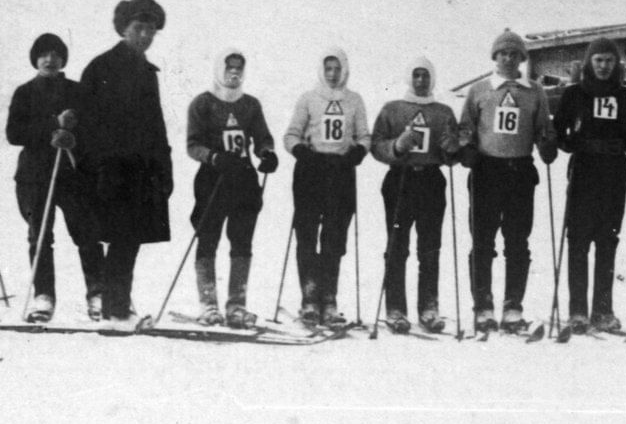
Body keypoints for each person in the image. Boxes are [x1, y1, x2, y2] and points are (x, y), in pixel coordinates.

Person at [77, 0, 175, 324]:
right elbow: (86, 121)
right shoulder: (101, 67)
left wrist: (165, 168)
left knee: (129, 239)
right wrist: (97, 166)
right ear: (124, 29)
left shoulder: (148, 73)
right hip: (109, 170)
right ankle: (114, 308)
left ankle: (116, 306)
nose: (145, 35)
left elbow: (156, 125)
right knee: (119, 237)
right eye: (138, 28)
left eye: (150, 30)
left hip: (141, 172)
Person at [457, 29, 557, 335]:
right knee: (483, 241)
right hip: (487, 171)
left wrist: (547, 143)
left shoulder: (534, 91)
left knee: (517, 241)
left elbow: (543, 126)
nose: (509, 59)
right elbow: (466, 127)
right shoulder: (480, 90)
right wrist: (467, 149)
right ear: (495, 57)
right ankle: (483, 306)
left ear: (523, 59)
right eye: (503, 54)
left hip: (520, 172)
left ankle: (513, 306)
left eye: (515, 54)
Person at [7, 32, 101, 322]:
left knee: (87, 234)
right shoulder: (24, 92)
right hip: (35, 176)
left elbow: (95, 128)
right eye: (44, 54)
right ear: (35, 59)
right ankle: (43, 296)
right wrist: (51, 129)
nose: (50, 59)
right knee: (39, 236)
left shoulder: (78, 90)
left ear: (63, 59)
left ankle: (98, 294)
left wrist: (74, 137)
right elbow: (14, 133)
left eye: (56, 54)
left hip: (72, 174)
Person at [183, 48, 278, 327]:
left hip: (243, 179)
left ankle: (237, 305)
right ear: (218, 70)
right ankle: (208, 304)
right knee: (208, 238)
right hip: (213, 179)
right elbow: (192, 144)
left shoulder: (250, 105)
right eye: (229, 68)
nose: (234, 73)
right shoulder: (203, 103)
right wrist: (212, 157)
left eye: (239, 68)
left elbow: (262, 137)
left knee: (242, 240)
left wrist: (267, 153)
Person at [283, 46, 372, 328]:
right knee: (307, 233)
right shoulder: (309, 98)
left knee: (335, 235)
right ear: (322, 70)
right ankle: (309, 298)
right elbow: (291, 134)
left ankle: (329, 298)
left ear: (344, 70)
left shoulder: (354, 100)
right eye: (328, 69)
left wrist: (357, 152)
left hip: (341, 172)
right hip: (311, 171)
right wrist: (303, 153)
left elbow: (364, 136)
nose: (333, 75)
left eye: (337, 69)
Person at [369, 57, 459, 334]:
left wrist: (451, 149)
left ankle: (429, 307)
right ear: (410, 78)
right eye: (417, 75)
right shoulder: (393, 109)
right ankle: (395, 308)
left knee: (430, 247)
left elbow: (452, 153)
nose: (421, 81)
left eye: (426, 76)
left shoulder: (443, 112)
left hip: (430, 179)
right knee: (397, 246)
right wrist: (397, 145)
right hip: (400, 179)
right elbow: (376, 144)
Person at [553, 39, 626, 334]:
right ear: (589, 62)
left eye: (609, 61)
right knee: (578, 241)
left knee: (607, 240)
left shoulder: (625, 96)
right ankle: (577, 311)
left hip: (613, 173)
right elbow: (558, 130)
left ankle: (602, 309)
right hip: (585, 171)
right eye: (598, 60)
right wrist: (566, 142)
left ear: (616, 65)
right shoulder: (576, 93)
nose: (603, 66)